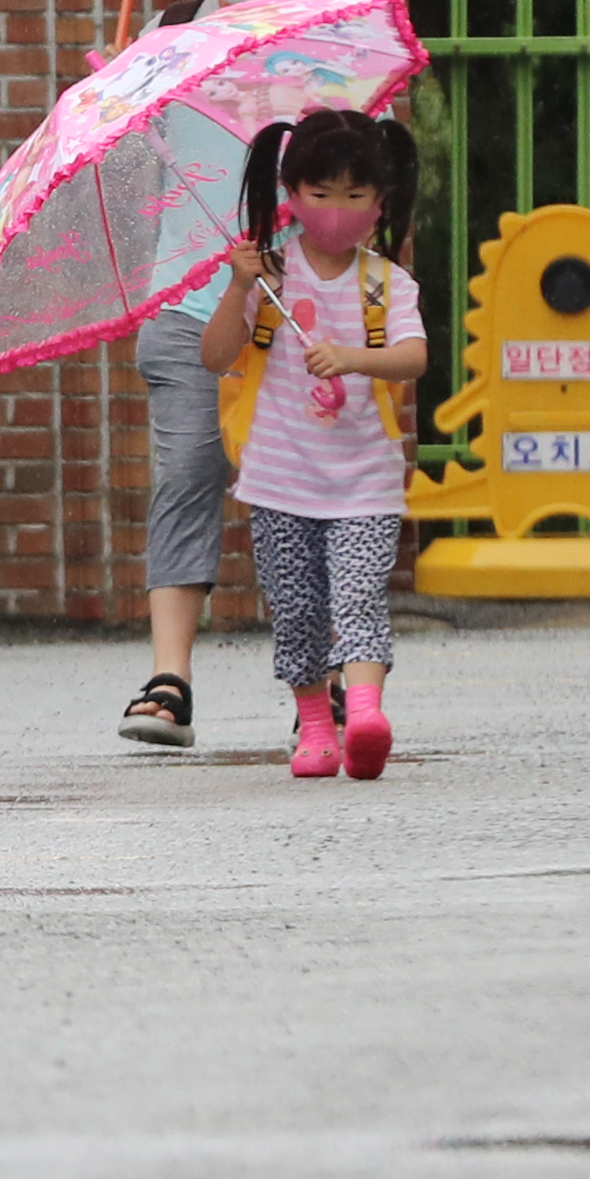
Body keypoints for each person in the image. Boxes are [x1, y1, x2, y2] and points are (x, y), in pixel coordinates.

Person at [117, 0, 330, 748]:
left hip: (299, 313)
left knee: (305, 501)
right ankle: (169, 677)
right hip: (188, 299)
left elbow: (366, 168)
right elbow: (125, 161)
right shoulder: (164, 33)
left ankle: (318, 689)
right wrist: (116, 78)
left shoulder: (330, 38)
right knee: (188, 477)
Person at [197, 110, 428, 780]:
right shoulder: (267, 276)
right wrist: (239, 286)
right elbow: (217, 357)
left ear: (380, 202)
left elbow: (413, 357)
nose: (336, 210)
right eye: (320, 193)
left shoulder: (387, 284)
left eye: (355, 195)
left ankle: (366, 713)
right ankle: (316, 725)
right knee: (296, 611)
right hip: (279, 478)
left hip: (364, 479)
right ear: (291, 195)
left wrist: (355, 358)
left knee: (357, 597)